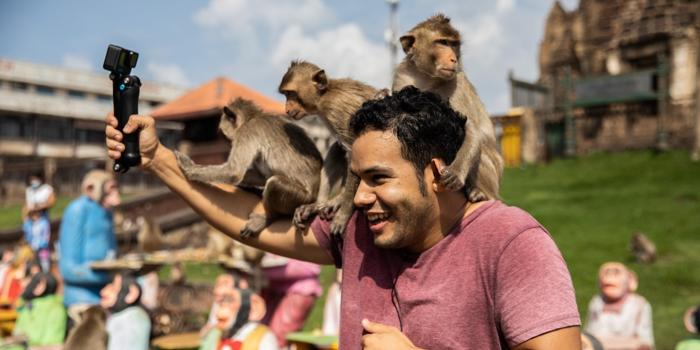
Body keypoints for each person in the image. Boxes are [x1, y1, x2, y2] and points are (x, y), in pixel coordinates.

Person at [105, 86, 581, 349]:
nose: (359, 197)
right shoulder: (361, 233)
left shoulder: (513, 243)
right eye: (356, 179)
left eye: (377, 178)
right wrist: (159, 161)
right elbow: (255, 222)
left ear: (437, 174)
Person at [58, 169, 119, 323]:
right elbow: (68, 269)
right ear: (91, 189)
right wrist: (108, 276)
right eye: (109, 190)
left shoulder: (107, 213)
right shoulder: (78, 210)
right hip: (82, 299)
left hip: (106, 296)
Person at [585, 262, 654, 350]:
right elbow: (589, 335)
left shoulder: (640, 304)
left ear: (630, 280)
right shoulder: (597, 302)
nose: (610, 276)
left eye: (616, 273)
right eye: (607, 272)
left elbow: (645, 342)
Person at [260, 253, 322, 346]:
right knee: (263, 332)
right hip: (274, 286)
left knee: (277, 338)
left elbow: (311, 268)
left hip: (299, 288)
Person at [199, 278, 278, 350]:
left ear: (253, 307)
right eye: (220, 302)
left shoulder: (261, 337)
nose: (222, 308)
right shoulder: (216, 335)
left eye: (229, 300)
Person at [9, 272, 66, 347]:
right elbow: (18, 333)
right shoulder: (29, 306)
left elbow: (52, 343)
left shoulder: (56, 309)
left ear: (43, 286)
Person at [100, 272, 152, 350]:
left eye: (112, 287)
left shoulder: (127, 319)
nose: (103, 292)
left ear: (132, 294)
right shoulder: (138, 316)